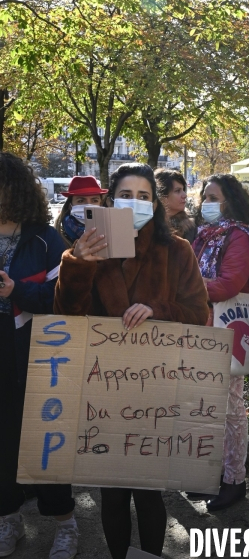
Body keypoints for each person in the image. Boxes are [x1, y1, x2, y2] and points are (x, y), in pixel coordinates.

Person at [54, 163, 209, 559]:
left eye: (144, 196)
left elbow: (198, 312)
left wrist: (157, 309)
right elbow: (67, 318)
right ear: (110, 200)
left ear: (153, 205)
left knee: (150, 491)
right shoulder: (89, 249)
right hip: (103, 389)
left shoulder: (177, 250)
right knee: (112, 492)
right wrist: (78, 264)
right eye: (126, 195)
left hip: (155, 387)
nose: (134, 203)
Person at [0, 152, 78, 559]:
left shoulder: (46, 239)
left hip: (37, 352)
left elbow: (58, 299)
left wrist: (16, 291)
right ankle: (8, 519)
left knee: (45, 440)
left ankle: (65, 522)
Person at [192, 174, 249, 511]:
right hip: (204, 328)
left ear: (231, 201)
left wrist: (186, 288)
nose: (206, 204)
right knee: (209, 408)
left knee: (230, 410)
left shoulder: (238, 237)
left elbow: (227, 285)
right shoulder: (206, 235)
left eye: (214, 197)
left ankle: (234, 480)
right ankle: (212, 476)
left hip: (226, 334)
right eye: (204, 197)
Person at [54, 176, 108, 247]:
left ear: (100, 204)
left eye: (95, 200)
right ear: (70, 206)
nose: (88, 205)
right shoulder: (55, 237)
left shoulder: (110, 231)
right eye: (81, 201)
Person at [154, 168, 196, 242]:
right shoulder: (149, 225)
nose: (184, 195)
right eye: (177, 191)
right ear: (162, 196)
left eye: (183, 190)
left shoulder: (189, 229)